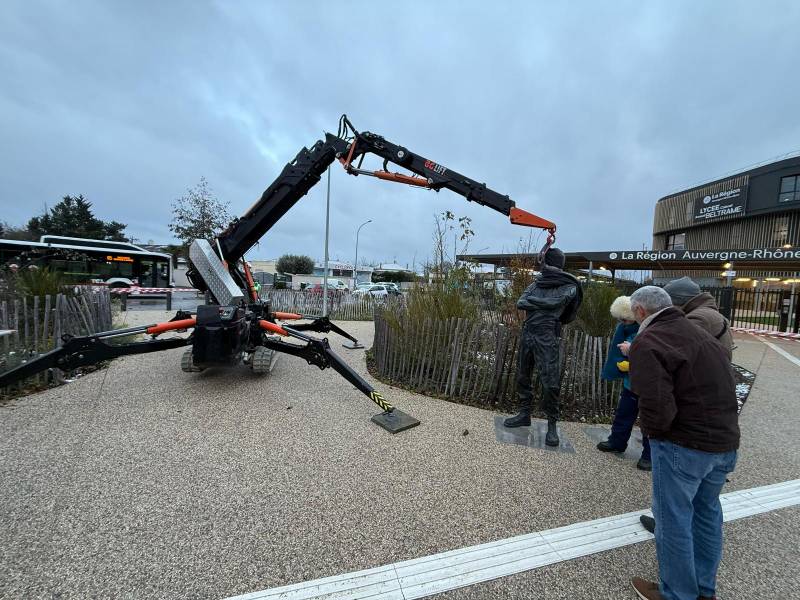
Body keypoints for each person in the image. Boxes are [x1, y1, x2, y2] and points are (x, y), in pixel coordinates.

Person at [627, 286, 739, 600]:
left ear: (640, 312)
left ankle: (677, 594)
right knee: (707, 515)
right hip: (725, 442)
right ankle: (704, 590)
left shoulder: (648, 340)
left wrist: (654, 435)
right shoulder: (703, 335)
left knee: (673, 520)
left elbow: (656, 403)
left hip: (684, 446)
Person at [503, 247, 583, 446]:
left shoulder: (570, 286)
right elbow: (521, 303)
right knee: (523, 375)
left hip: (547, 336)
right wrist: (543, 303)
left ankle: (552, 425)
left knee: (550, 382)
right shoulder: (537, 283)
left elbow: (557, 303)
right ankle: (524, 413)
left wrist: (535, 302)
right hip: (529, 332)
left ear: (548, 262)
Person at [597, 296, 651, 471]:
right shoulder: (627, 329)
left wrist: (631, 351)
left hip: (649, 384)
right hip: (631, 381)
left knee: (649, 420)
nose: (623, 322)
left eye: (625, 319)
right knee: (624, 413)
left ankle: (649, 455)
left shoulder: (649, 329)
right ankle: (617, 441)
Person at [663, 276, 733, 360]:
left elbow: (674, 349)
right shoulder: (706, 312)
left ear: (677, 301)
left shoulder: (699, 318)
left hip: (707, 370)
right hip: (715, 368)